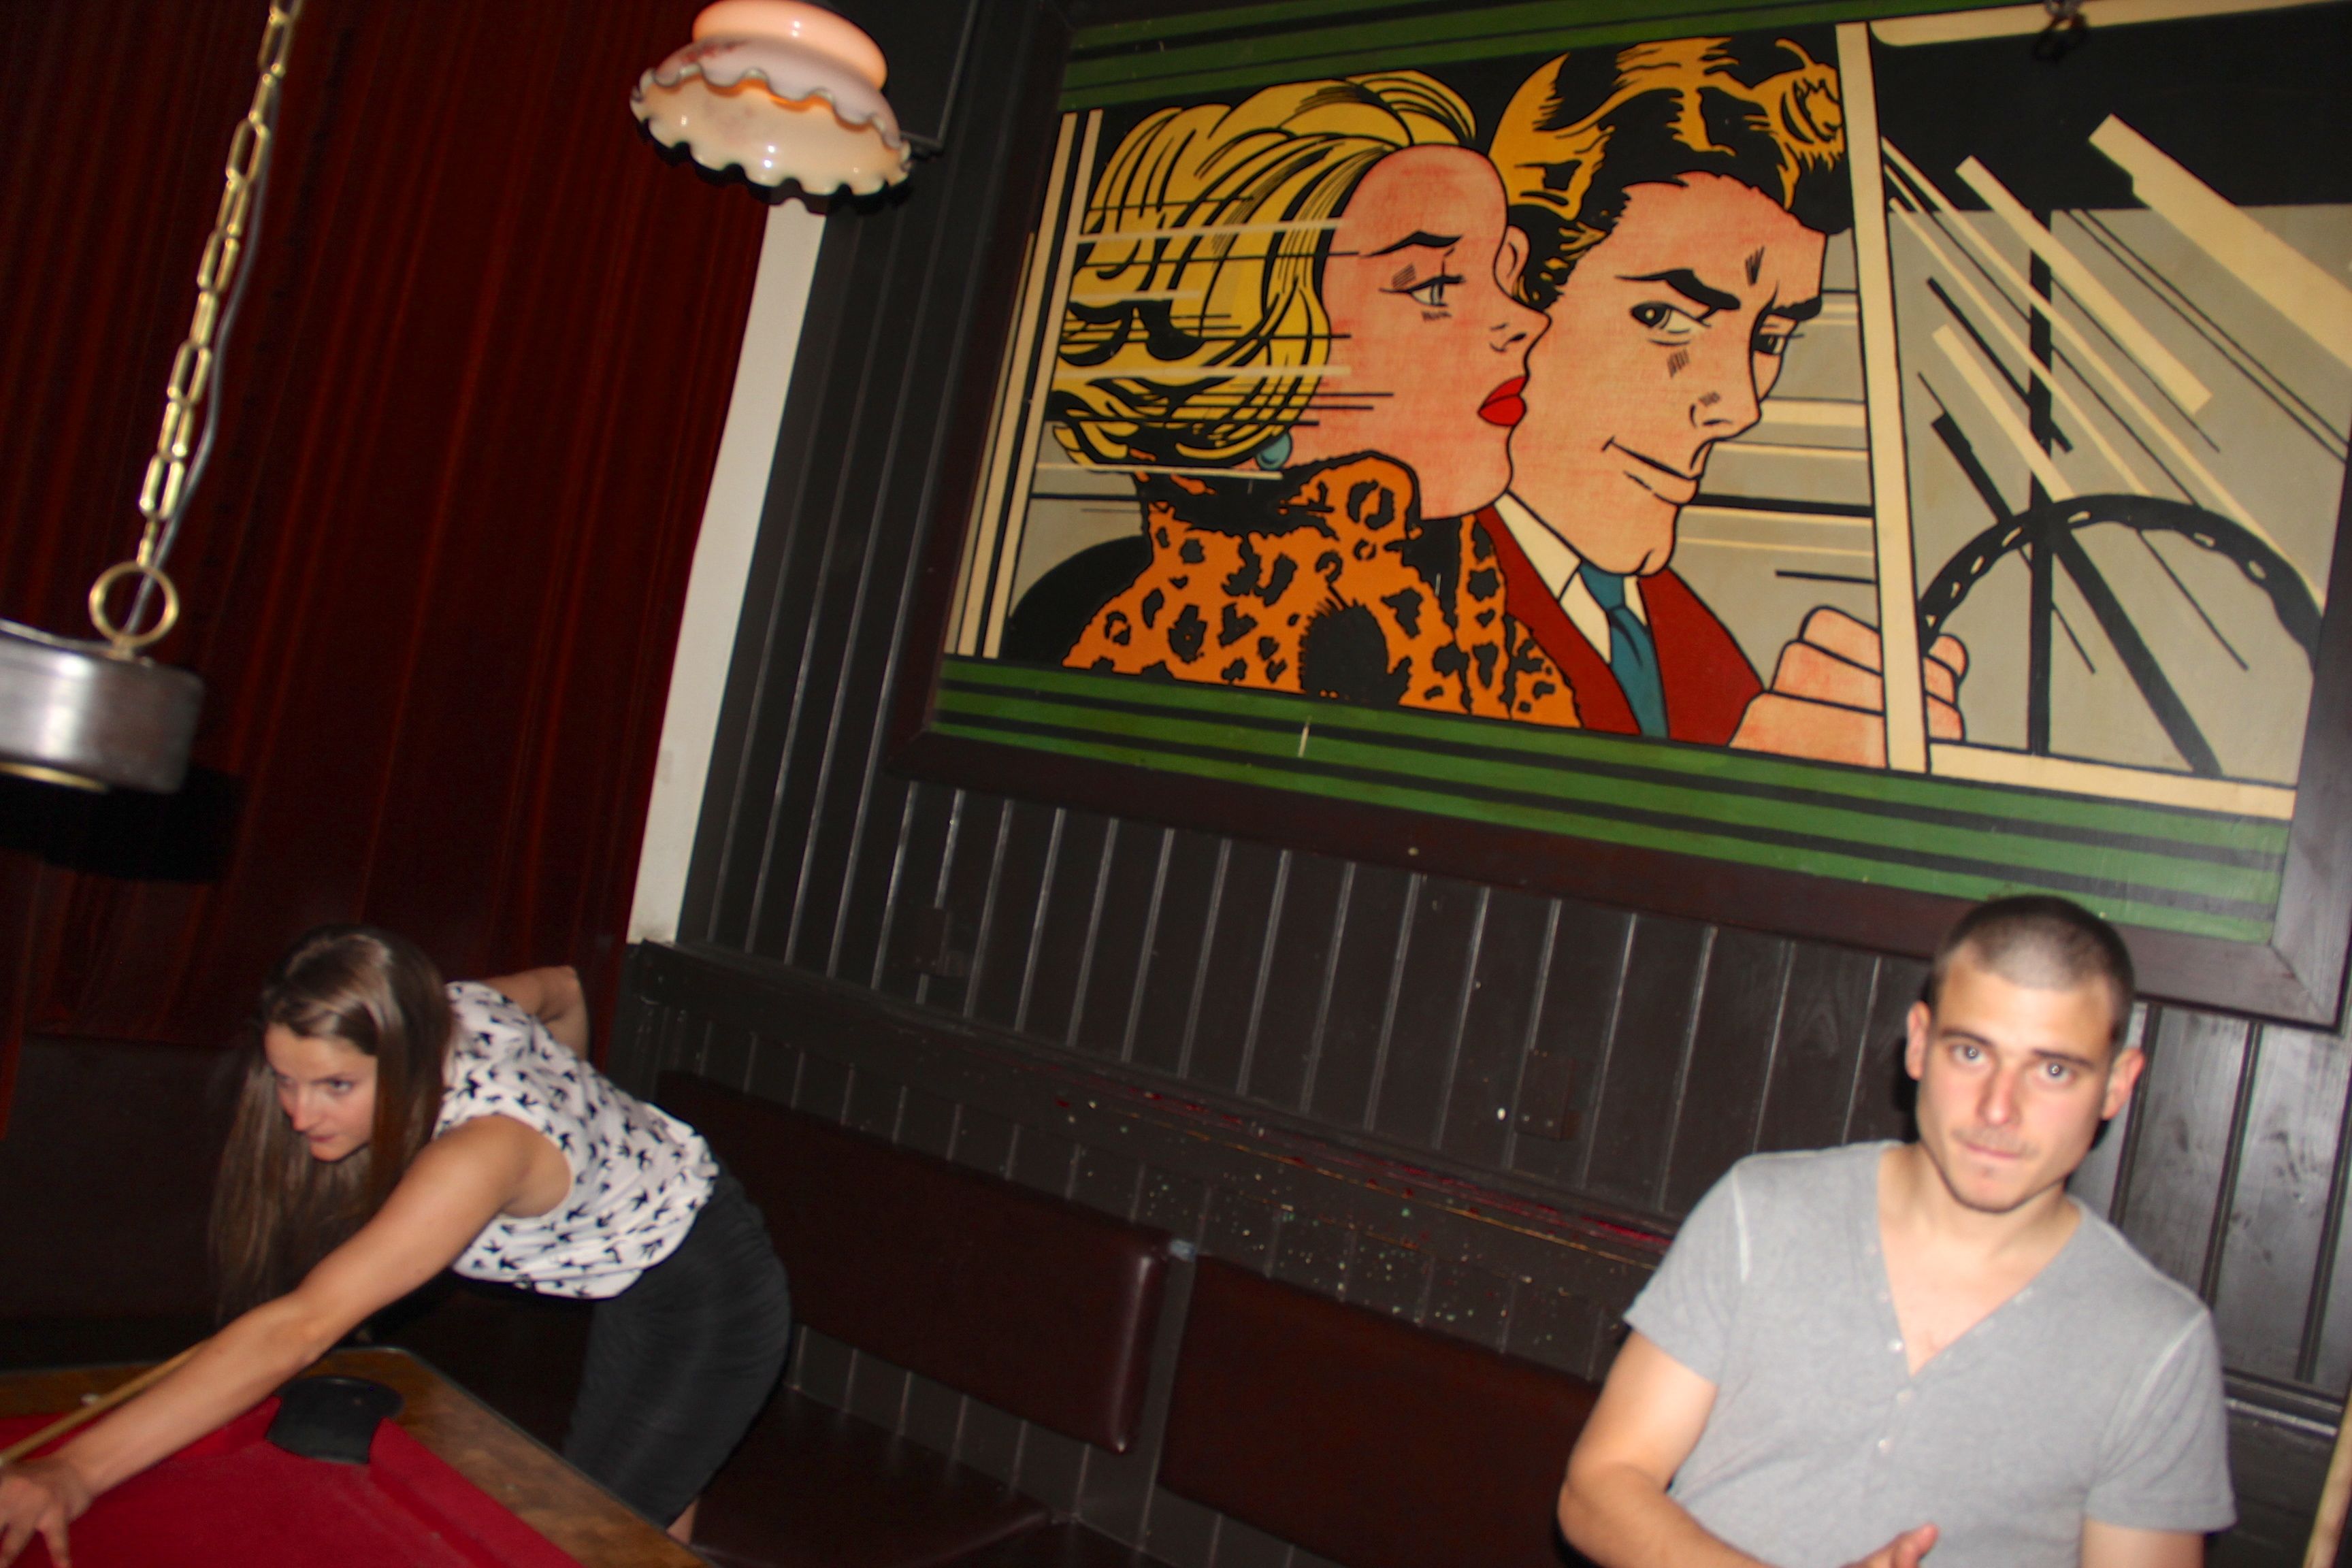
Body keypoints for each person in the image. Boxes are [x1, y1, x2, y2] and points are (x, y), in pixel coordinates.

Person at [0, 926, 792, 1566]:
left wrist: (73, 1470)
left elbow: (301, 1328)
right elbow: (561, 987)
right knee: (626, 1522)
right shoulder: (440, 1007)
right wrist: (577, 1123)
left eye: (336, 1086)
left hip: (708, 1297)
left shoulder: (476, 1157)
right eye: (285, 1079)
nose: (300, 1114)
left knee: (581, 1541)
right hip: (648, 1264)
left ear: (408, 1060)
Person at [1557, 895, 2233, 1567]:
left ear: (2117, 1084)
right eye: (1971, 1052)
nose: (1999, 1109)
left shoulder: (2157, 1343)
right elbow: (1599, 1489)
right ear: (1918, 1043)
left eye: (2053, 1070)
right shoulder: (1761, 1213)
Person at [1010, 73, 1580, 724]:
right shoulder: (1233, 637)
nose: (1525, 321)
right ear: (1250, 357)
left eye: (1505, 273)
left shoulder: (1477, 614)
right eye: (1435, 287)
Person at [1485, 39, 1968, 757]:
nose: (1740, 405)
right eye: (1666, 317)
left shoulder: (1689, 639)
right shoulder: (1402, 597)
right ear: (1512, 287)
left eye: (1769, 337)